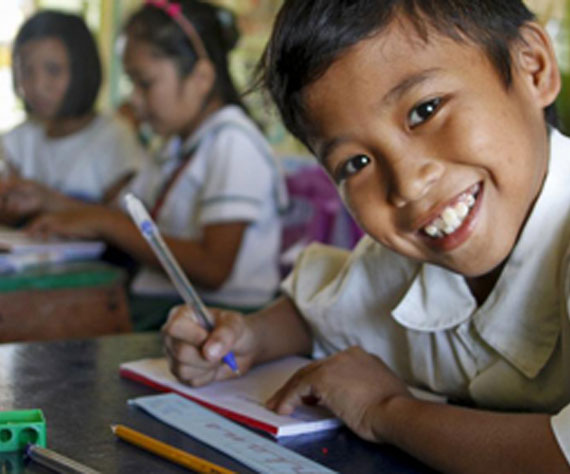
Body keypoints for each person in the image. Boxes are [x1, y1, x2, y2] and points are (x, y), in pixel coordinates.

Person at [161, 0, 570, 471]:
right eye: (356, 163)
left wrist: (386, 411)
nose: (407, 185)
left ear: (533, 68)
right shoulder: (411, 258)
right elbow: (327, 312)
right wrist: (245, 338)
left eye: (425, 110)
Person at [28, 0, 288, 331]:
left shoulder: (233, 143)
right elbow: (119, 213)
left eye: (145, 83)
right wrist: (46, 200)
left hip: (219, 321)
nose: (134, 100)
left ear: (201, 77)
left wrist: (106, 224)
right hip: (164, 311)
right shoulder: (174, 147)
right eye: (131, 83)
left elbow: (214, 268)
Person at [0, 10, 144, 223]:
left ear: (82, 71)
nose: (38, 86)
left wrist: (48, 201)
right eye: (27, 71)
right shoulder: (17, 142)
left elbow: (123, 224)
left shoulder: (115, 139)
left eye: (54, 70)